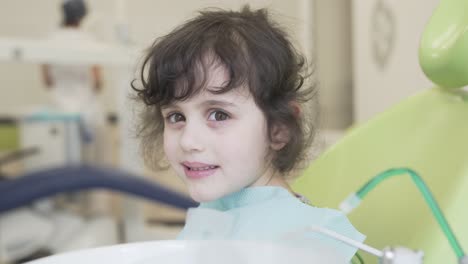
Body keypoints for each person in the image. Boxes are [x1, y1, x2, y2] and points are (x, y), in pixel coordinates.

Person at [132, 6, 365, 262]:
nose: (188, 141)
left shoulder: (310, 241)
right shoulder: (215, 214)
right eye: (176, 117)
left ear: (278, 129)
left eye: (219, 115)